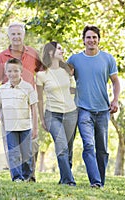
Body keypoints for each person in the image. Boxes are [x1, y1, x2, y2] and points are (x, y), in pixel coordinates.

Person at [67, 25, 120, 188]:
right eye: (88, 37)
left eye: (94, 37)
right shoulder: (74, 59)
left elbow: (115, 82)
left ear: (98, 40)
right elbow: (62, 80)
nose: (91, 40)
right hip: (83, 109)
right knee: (88, 145)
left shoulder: (108, 59)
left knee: (102, 149)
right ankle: (95, 182)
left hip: (103, 110)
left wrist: (115, 100)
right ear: (83, 40)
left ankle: (100, 181)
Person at [0, 22, 42, 182]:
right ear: (9, 36)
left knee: (32, 143)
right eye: (13, 34)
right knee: (12, 145)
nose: (16, 37)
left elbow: (42, 74)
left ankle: (30, 175)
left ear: (23, 35)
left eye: (19, 34)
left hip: (29, 106)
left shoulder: (33, 53)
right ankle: (17, 177)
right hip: (9, 107)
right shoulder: (1, 56)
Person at [35, 41, 77, 186]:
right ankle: (69, 181)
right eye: (59, 49)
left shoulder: (67, 71)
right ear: (50, 52)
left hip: (71, 113)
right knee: (61, 146)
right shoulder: (41, 75)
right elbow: (39, 99)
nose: (62, 51)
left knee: (69, 149)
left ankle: (64, 178)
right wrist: (42, 119)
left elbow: (68, 90)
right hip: (53, 115)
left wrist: (83, 91)